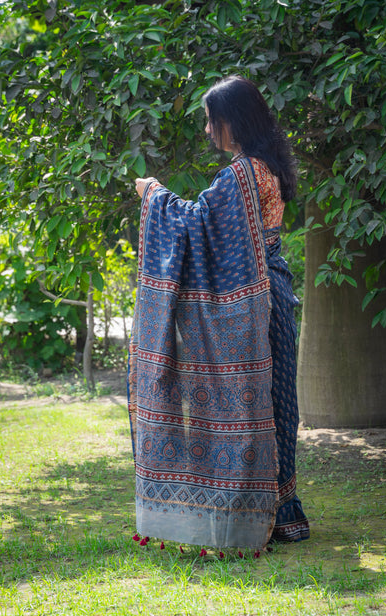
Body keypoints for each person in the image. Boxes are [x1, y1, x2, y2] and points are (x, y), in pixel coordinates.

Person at [128, 75, 309, 552]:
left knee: (262, 407)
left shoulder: (242, 174)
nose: (208, 130)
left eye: (212, 120)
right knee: (275, 405)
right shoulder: (267, 166)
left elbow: (195, 223)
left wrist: (154, 196)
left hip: (258, 302)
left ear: (234, 120)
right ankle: (280, 515)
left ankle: (254, 519)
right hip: (276, 291)